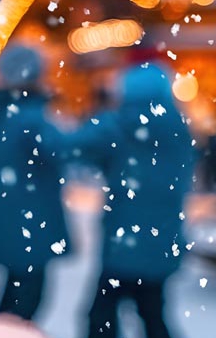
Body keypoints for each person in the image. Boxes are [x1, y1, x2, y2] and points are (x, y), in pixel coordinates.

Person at [65, 61, 195, 338]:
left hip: (124, 240)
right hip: (163, 237)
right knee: (152, 312)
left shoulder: (119, 124)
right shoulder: (177, 128)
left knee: (101, 316)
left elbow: (75, 146)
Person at [0, 46, 70, 322]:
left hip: (4, 214)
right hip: (32, 217)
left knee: (14, 289)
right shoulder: (29, 116)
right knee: (27, 298)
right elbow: (63, 150)